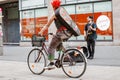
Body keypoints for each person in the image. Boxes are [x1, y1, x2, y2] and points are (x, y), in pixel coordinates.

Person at [39, 0, 72, 69]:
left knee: (51, 47)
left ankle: (51, 64)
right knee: (58, 45)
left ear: (53, 6)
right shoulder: (62, 13)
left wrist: (41, 31)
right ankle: (68, 58)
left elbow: (47, 25)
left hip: (61, 33)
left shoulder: (55, 14)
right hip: (67, 32)